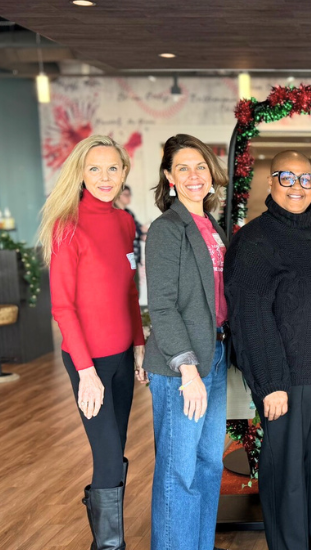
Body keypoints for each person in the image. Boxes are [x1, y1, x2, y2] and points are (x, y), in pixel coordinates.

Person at [224, 150, 311, 550]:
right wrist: (270, 383)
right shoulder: (253, 240)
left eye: (306, 179)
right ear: (270, 183)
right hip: (287, 382)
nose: (297, 187)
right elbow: (250, 317)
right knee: (288, 483)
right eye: (287, 177)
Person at [36, 135, 144, 550]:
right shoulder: (67, 225)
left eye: (113, 168)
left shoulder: (124, 222)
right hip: (88, 360)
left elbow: (129, 290)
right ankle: (109, 545)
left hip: (121, 353)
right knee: (106, 454)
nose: (104, 177)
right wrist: (86, 373)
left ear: (124, 173)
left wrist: (138, 344)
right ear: (80, 174)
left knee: (116, 451)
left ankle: (104, 530)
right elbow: (63, 308)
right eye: (94, 169)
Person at [140, 134, 229, 550]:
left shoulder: (213, 227)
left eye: (200, 166)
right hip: (183, 367)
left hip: (216, 355)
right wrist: (187, 369)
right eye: (182, 168)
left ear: (211, 173)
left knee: (209, 465)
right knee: (179, 470)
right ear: (169, 178)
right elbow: (161, 306)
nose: (194, 176)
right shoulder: (166, 229)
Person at [115, 184, 145, 267]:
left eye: (129, 194)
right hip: (122, 257)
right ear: (117, 196)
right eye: (125, 194)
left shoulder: (129, 212)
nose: (129, 197)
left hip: (134, 255)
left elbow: (138, 227)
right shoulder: (114, 213)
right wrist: (139, 233)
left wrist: (142, 232)